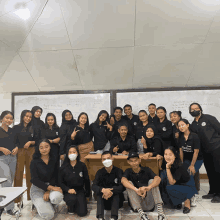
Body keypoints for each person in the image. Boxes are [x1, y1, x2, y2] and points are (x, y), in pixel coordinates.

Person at [121, 152, 166, 220]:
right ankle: (142, 215)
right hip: (136, 206)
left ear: (139, 160)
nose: (134, 163)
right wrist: (136, 190)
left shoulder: (146, 169)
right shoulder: (128, 171)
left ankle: (161, 213)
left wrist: (148, 188)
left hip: (149, 203)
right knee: (128, 183)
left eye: (135, 160)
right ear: (128, 162)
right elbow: (123, 180)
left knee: (152, 181)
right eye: (131, 161)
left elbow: (158, 179)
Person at [189, 102, 220, 203]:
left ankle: (219, 194)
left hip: (216, 148)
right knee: (210, 171)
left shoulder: (209, 118)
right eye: (192, 109)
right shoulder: (193, 124)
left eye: (196, 108)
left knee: (218, 171)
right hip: (205, 151)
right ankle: (212, 191)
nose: (194, 111)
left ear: (200, 109)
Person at [30, 139, 63, 220]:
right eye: (41, 147)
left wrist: (48, 190)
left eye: (46, 147)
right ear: (38, 149)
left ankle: (50, 202)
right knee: (49, 215)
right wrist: (49, 188)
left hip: (51, 186)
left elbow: (56, 176)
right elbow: (35, 180)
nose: (44, 149)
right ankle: (38, 203)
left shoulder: (54, 159)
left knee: (57, 197)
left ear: (50, 147)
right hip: (37, 188)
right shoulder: (34, 162)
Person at [160, 146, 197, 214]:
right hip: (178, 185)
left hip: (188, 187)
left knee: (169, 187)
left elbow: (172, 182)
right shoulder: (166, 163)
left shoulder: (179, 166)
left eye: (170, 154)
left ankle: (187, 200)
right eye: (165, 154)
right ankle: (179, 200)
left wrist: (167, 168)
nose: (167, 157)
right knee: (163, 182)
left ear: (175, 156)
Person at [13, 110, 38, 205]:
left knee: (30, 174)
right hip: (19, 151)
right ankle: (17, 199)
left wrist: (30, 142)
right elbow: (13, 140)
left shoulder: (33, 128)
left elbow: (37, 140)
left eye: (30, 117)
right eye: (26, 116)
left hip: (31, 151)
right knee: (18, 174)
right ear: (22, 116)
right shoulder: (16, 127)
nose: (28, 118)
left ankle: (30, 197)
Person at [59, 145, 90, 217]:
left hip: (80, 190)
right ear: (67, 154)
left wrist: (87, 195)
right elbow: (60, 182)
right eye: (70, 152)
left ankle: (78, 204)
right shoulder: (63, 167)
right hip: (68, 191)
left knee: (82, 213)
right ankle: (71, 206)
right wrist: (68, 189)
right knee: (72, 200)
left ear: (77, 153)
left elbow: (87, 180)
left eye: (74, 152)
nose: (72, 154)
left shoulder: (82, 165)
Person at [92, 151, 124, 220]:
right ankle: (100, 217)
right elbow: (94, 186)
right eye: (104, 159)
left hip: (117, 202)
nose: (106, 160)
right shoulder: (99, 172)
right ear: (101, 161)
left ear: (112, 158)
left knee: (117, 193)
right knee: (98, 193)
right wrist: (103, 190)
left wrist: (111, 191)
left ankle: (114, 217)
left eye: (108, 158)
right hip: (104, 202)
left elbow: (122, 187)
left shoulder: (119, 171)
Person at [178, 119, 203, 206]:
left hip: (197, 159)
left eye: (183, 125)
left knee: (190, 173)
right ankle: (188, 194)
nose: (181, 127)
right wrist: (181, 163)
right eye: (179, 126)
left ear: (187, 125)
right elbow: (181, 150)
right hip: (186, 159)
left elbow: (196, 152)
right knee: (184, 174)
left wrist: (192, 165)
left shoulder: (194, 136)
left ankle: (194, 195)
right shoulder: (180, 137)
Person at [0, 111, 19, 217]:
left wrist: (16, 148)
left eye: (11, 118)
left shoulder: (13, 131)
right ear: (2, 118)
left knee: (9, 182)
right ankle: (9, 208)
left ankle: (4, 203)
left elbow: (17, 143)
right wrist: (1, 148)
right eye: (7, 118)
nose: (9, 120)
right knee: (7, 181)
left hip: (13, 158)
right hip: (1, 159)